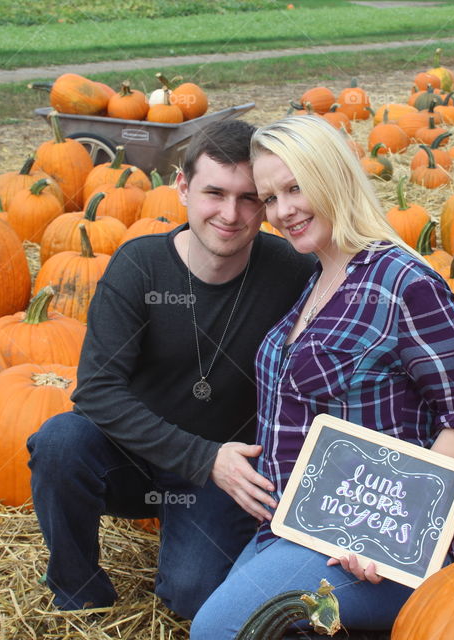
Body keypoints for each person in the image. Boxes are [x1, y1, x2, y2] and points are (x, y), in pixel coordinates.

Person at [189, 115, 454, 638]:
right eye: (269, 198)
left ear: (333, 176)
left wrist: (387, 534)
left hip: (371, 550)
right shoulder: (317, 276)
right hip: (298, 526)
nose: (283, 211)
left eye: (296, 187)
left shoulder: (403, 281)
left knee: (218, 632)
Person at [25, 119, 316, 619]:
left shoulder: (291, 268)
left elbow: (376, 314)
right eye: (214, 193)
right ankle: (79, 593)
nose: (230, 214)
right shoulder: (140, 268)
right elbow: (96, 392)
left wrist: (441, 429)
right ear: (181, 187)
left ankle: (191, 549)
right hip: (137, 457)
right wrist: (202, 456)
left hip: (227, 475)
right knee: (59, 442)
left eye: (249, 199)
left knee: (195, 598)